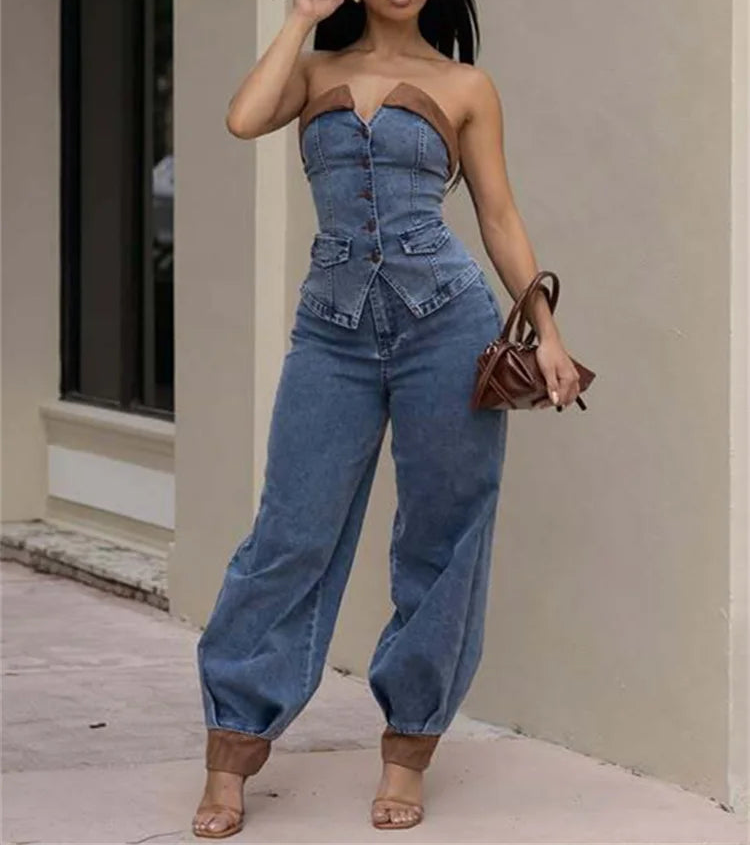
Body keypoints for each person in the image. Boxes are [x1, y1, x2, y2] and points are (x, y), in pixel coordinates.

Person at [191, 0, 581, 837]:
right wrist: (298, 16)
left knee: (442, 535)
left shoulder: (466, 84)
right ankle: (231, 751)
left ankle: (407, 750)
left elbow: (498, 215)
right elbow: (241, 118)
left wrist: (545, 332)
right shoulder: (312, 72)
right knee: (288, 534)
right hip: (330, 333)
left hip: (448, 323)